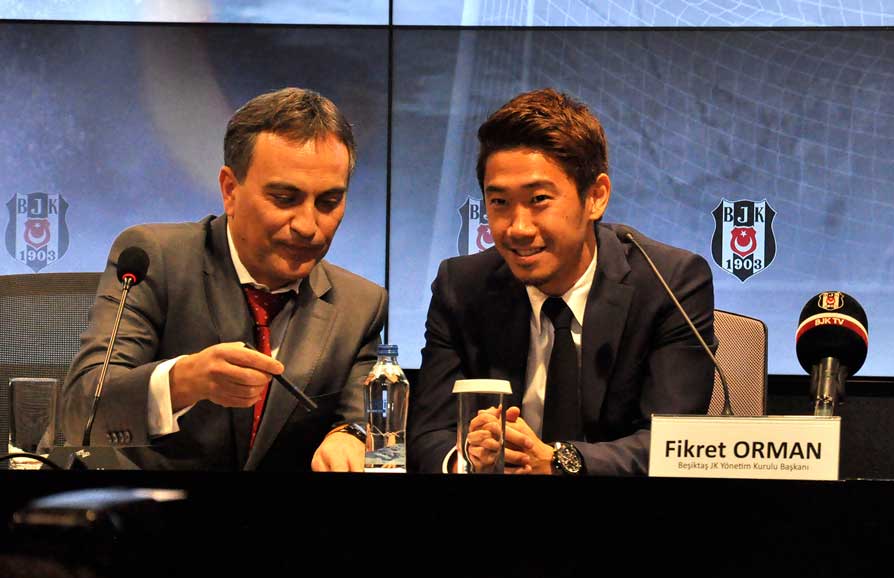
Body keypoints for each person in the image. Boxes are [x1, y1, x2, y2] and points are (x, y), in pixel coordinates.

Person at [62, 88, 386, 471]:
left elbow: (364, 417)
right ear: (230, 190)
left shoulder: (360, 306)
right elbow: (82, 409)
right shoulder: (155, 259)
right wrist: (184, 381)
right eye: (285, 198)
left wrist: (351, 436)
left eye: (329, 202)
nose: (308, 225)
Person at [407, 88, 716, 476]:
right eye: (499, 202)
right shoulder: (461, 287)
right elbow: (428, 436)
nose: (518, 228)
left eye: (539, 199)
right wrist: (468, 458)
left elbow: (674, 444)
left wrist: (558, 461)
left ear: (596, 197)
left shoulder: (668, 282)